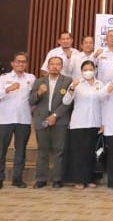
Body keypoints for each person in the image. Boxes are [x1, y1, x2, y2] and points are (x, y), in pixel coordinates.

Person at [29, 56, 72, 188]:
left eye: (58, 64)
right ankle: (41, 179)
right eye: (52, 64)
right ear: (48, 66)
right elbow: (31, 101)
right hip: (42, 119)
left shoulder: (67, 81)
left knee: (59, 151)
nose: (55, 67)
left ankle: (57, 179)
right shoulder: (39, 81)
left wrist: (55, 115)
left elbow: (68, 102)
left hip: (60, 121)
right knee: (43, 151)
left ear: (62, 66)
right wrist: (39, 93)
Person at [61, 60, 103, 189]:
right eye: (85, 69)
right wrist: (72, 88)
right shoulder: (76, 83)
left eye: (90, 69)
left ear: (95, 70)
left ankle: (89, 179)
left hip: (95, 122)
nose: (88, 71)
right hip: (79, 123)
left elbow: (104, 104)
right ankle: (78, 179)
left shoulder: (100, 84)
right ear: (81, 71)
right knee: (78, 153)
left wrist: (103, 123)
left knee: (91, 152)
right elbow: (66, 101)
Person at [0, 52, 35, 189]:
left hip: (24, 119)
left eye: (23, 61)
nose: (21, 64)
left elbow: (34, 98)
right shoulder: (4, 78)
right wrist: (8, 89)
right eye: (18, 61)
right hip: (5, 119)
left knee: (21, 150)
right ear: (12, 63)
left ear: (26, 64)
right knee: (1, 150)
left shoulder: (31, 78)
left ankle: (17, 178)